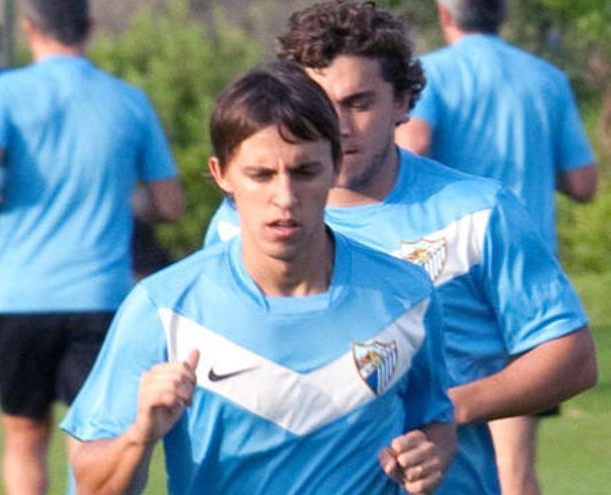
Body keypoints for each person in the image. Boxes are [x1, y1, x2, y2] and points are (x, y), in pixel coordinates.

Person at [204, 2, 598, 494]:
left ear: (404, 102)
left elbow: (572, 357)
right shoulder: (239, 224)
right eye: (322, 103)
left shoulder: (478, 211)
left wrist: (448, 409)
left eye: (359, 103)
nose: (338, 125)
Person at [62, 61, 456, 495]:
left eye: (305, 171)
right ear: (222, 174)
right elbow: (91, 486)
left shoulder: (408, 295)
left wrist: (428, 457)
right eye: (261, 175)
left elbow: (435, 421)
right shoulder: (164, 308)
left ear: (335, 165)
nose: (284, 198)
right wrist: (139, 434)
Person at [0, 0, 185, 493]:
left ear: (28, 28)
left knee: (24, 435)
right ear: (88, 28)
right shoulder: (129, 100)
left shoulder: (4, 92)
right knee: (94, 435)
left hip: (22, 294)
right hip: (101, 295)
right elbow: (170, 204)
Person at [395, 1, 598, 492]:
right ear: (502, 15)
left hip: (449, 278)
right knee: (514, 467)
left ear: (445, 16)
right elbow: (583, 182)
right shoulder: (546, 78)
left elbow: (412, 147)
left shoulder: (433, 75)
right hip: (525, 290)